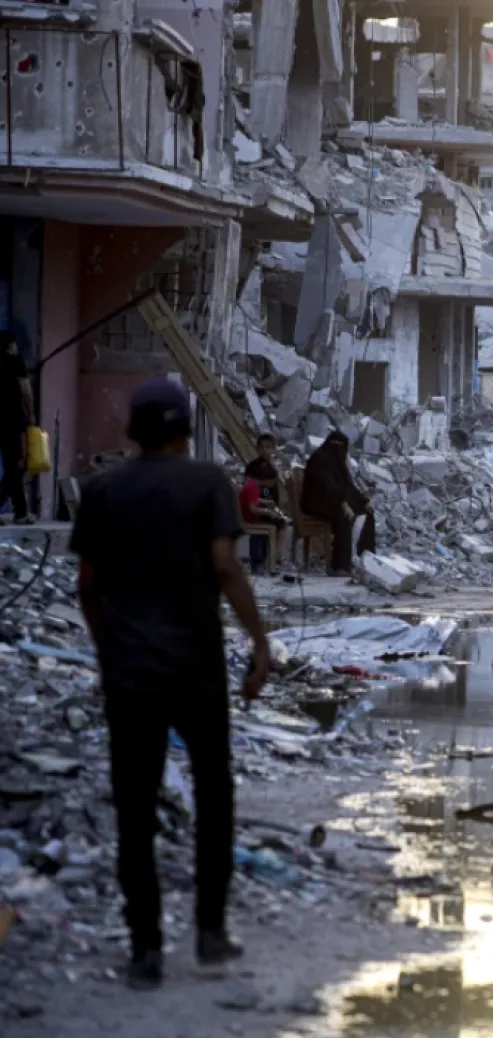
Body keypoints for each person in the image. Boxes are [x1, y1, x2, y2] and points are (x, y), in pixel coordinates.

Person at [70, 379, 271, 990]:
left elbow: (87, 583)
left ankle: (145, 951)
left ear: (133, 433)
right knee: (214, 800)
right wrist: (261, 644)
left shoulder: (102, 491)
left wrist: (110, 649)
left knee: (135, 810)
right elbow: (226, 566)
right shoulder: (207, 483)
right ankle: (209, 933)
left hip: (131, 675)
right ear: (185, 431)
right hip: (197, 670)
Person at [301, 431, 375, 576]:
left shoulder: (339, 463)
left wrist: (364, 501)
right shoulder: (319, 460)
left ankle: (367, 560)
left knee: (367, 514)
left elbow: (349, 487)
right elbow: (328, 487)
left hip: (334, 501)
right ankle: (340, 566)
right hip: (316, 502)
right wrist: (343, 504)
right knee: (343, 517)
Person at [0, 331, 34, 524]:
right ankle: (20, 512)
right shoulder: (15, 362)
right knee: (17, 466)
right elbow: (26, 390)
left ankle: (21, 513)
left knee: (11, 467)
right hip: (13, 420)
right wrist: (31, 413)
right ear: (10, 345)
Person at [238, 459, 288, 574]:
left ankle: (266, 559)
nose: (273, 484)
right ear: (266, 479)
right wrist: (268, 512)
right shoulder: (254, 487)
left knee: (276, 523)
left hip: (247, 516)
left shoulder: (251, 484)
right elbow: (253, 508)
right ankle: (262, 561)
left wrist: (266, 502)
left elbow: (252, 499)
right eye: (273, 481)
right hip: (249, 518)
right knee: (271, 526)